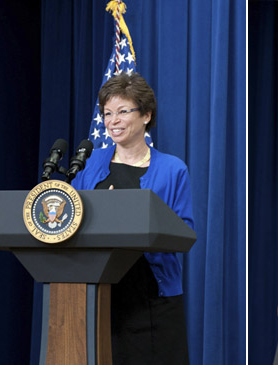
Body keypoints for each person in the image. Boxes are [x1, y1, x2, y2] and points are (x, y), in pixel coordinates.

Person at [72, 72, 194, 363]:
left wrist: (127, 217)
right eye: (107, 113)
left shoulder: (172, 169)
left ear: (146, 115)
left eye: (123, 112)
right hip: (98, 292)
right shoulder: (90, 164)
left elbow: (185, 232)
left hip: (151, 295)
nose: (112, 121)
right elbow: (72, 218)